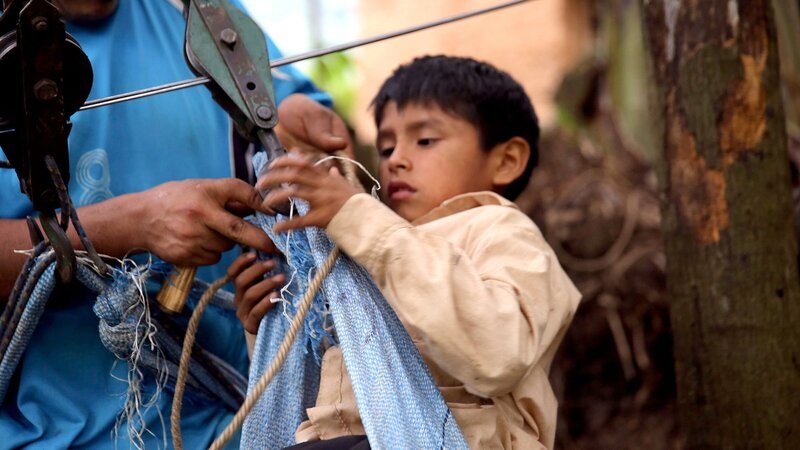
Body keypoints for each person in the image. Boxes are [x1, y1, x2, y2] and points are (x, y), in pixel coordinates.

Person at [0, 0, 351, 448]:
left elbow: (298, 116)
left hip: (245, 418)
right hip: (57, 435)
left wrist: (303, 127)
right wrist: (130, 226)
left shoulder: (196, 10)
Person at [229, 55, 582, 449]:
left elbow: (497, 355)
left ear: (506, 160)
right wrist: (268, 327)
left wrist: (366, 222)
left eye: (425, 140)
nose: (395, 159)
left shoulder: (503, 232)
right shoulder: (368, 244)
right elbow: (314, 384)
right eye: (385, 146)